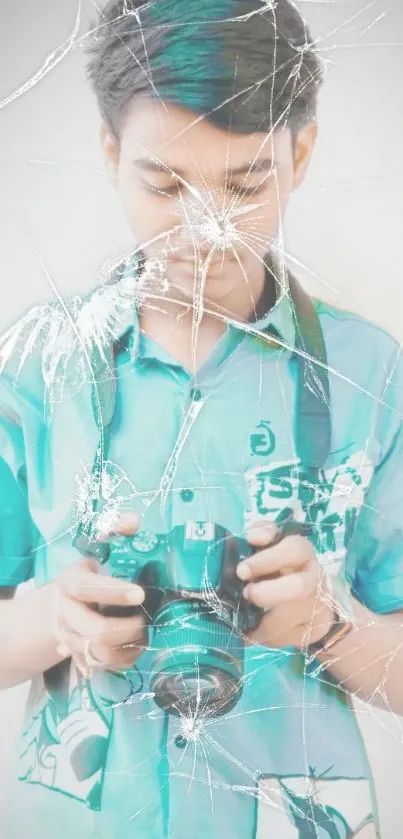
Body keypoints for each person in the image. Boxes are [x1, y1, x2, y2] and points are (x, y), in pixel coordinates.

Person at [1, 1, 402, 837]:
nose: (204, 228)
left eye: (246, 184)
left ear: (301, 152)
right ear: (110, 153)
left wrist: (326, 623)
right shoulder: (36, 369)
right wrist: (58, 620)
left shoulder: (371, 373)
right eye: (163, 184)